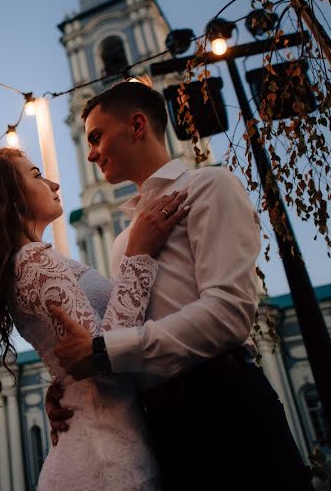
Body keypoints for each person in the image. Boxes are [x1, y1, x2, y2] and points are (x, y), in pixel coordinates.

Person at [47, 79, 314, 490]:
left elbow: (229, 314)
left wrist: (102, 352)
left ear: (137, 125)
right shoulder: (124, 240)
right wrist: (73, 392)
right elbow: (122, 335)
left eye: (97, 137)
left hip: (226, 407)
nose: (91, 153)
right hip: (164, 423)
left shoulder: (209, 186)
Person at [0, 146, 189, 490]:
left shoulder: (26, 266)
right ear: (11, 199)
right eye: (36, 175)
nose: (53, 184)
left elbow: (85, 354)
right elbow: (103, 360)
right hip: (106, 459)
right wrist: (138, 253)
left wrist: (64, 388)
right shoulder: (36, 263)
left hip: (104, 442)